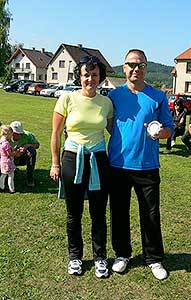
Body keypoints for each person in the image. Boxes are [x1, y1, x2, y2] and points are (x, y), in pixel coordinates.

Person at [108, 49, 174, 280]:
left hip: (147, 166)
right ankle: (122, 254)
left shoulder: (158, 97)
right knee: (119, 211)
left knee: (150, 213)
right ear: (124, 68)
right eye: (131, 64)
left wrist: (160, 132)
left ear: (146, 68)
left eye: (141, 65)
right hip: (118, 165)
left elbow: (169, 128)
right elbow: (109, 126)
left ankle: (154, 258)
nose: (136, 69)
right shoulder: (114, 96)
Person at [50, 56, 113, 278]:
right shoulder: (67, 98)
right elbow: (56, 134)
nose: (90, 79)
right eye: (86, 74)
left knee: (98, 213)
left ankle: (100, 258)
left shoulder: (106, 103)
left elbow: (115, 135)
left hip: (98, 160)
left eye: (94, 75)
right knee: (73, 214)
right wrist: (55, 163)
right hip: (71, 159)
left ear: (100, 78)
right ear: (80, 76)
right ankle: (75, 257)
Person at [10, 121, 40, 187]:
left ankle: (30, 178)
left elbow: (37, 145)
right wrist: (14, 153)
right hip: (8, 159)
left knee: (32, 151)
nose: (17, 135)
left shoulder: (27, 135)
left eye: (19, 133)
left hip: (22, 158)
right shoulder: (4, 136)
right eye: (15, 133)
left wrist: (27, 145)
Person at [0, 125, 16, 193]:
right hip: (8, 162)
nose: (11, 137)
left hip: (3, 161)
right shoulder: (6, 143)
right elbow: (9, 154)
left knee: (3, 174)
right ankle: (11, 189)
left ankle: (1, 186)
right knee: (11, 175)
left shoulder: (1, 141)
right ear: (7, 134)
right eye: (11, 135)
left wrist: (12, 149)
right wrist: (16, 152)